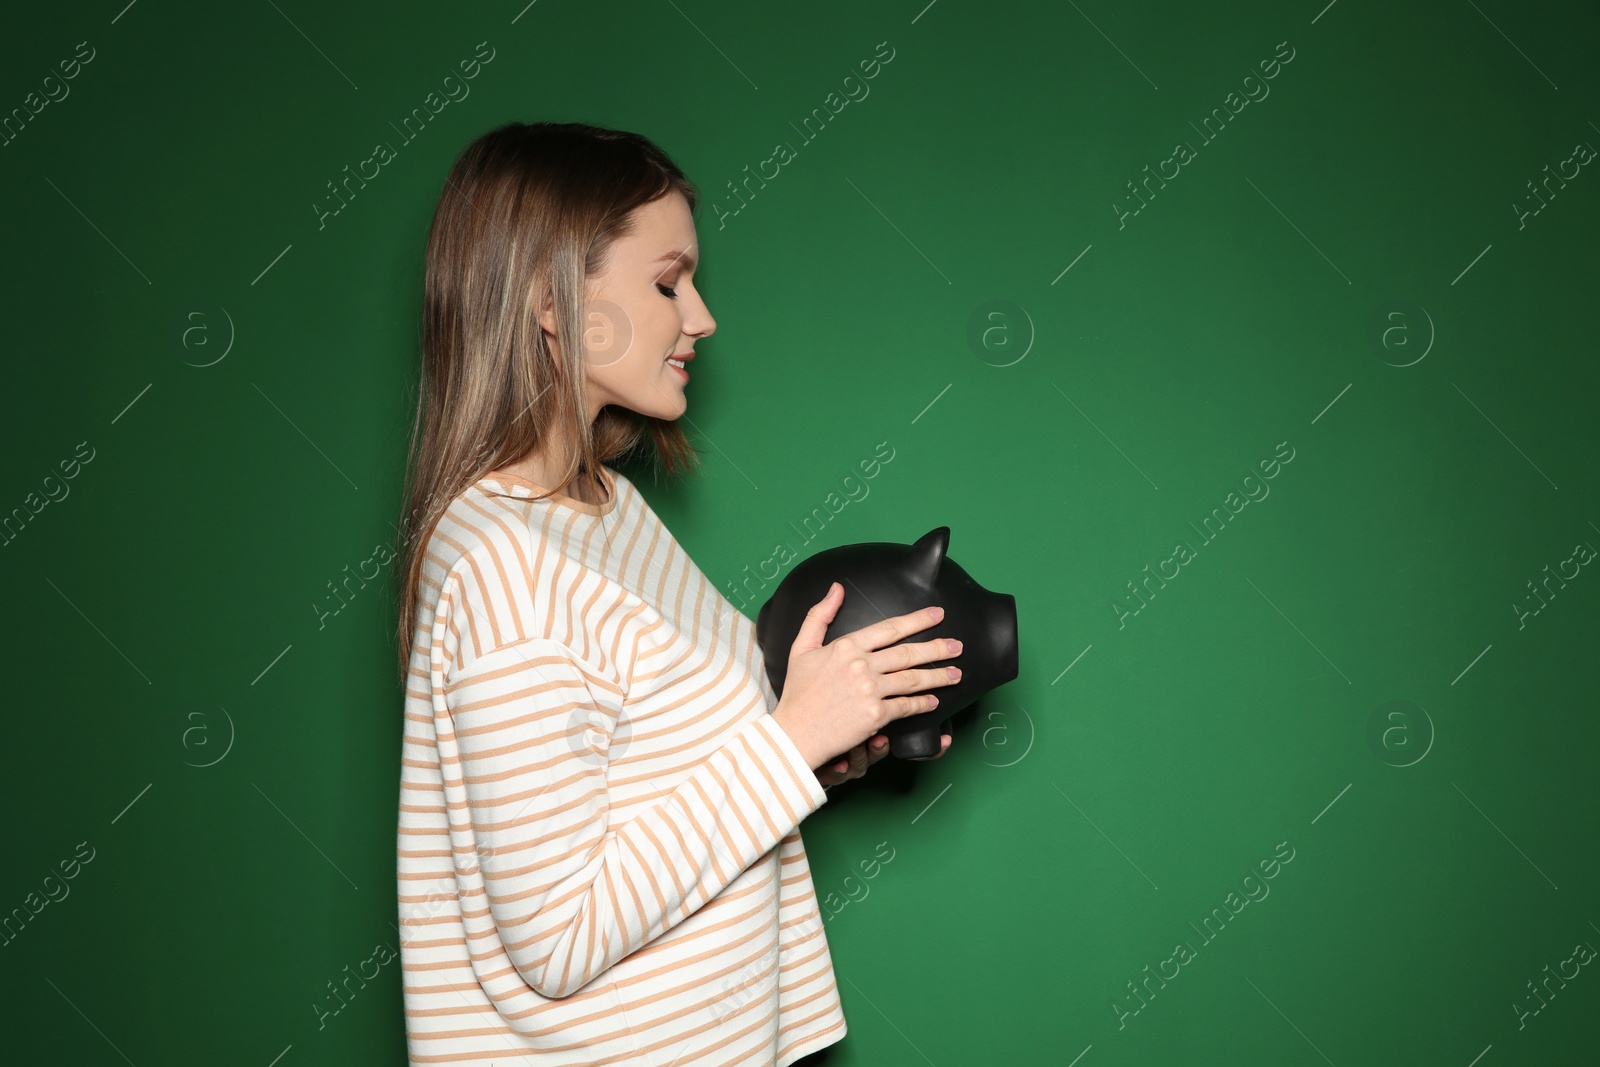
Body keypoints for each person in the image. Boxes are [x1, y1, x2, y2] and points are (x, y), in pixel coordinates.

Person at [393, 121, 962, 1067]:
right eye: (667, 282)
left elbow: (658, 783)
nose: (700, 318)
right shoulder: (503, 565)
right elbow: (556, 936)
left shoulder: (605, 509)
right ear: (547, 299)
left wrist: (821, 754)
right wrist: (790, 742)